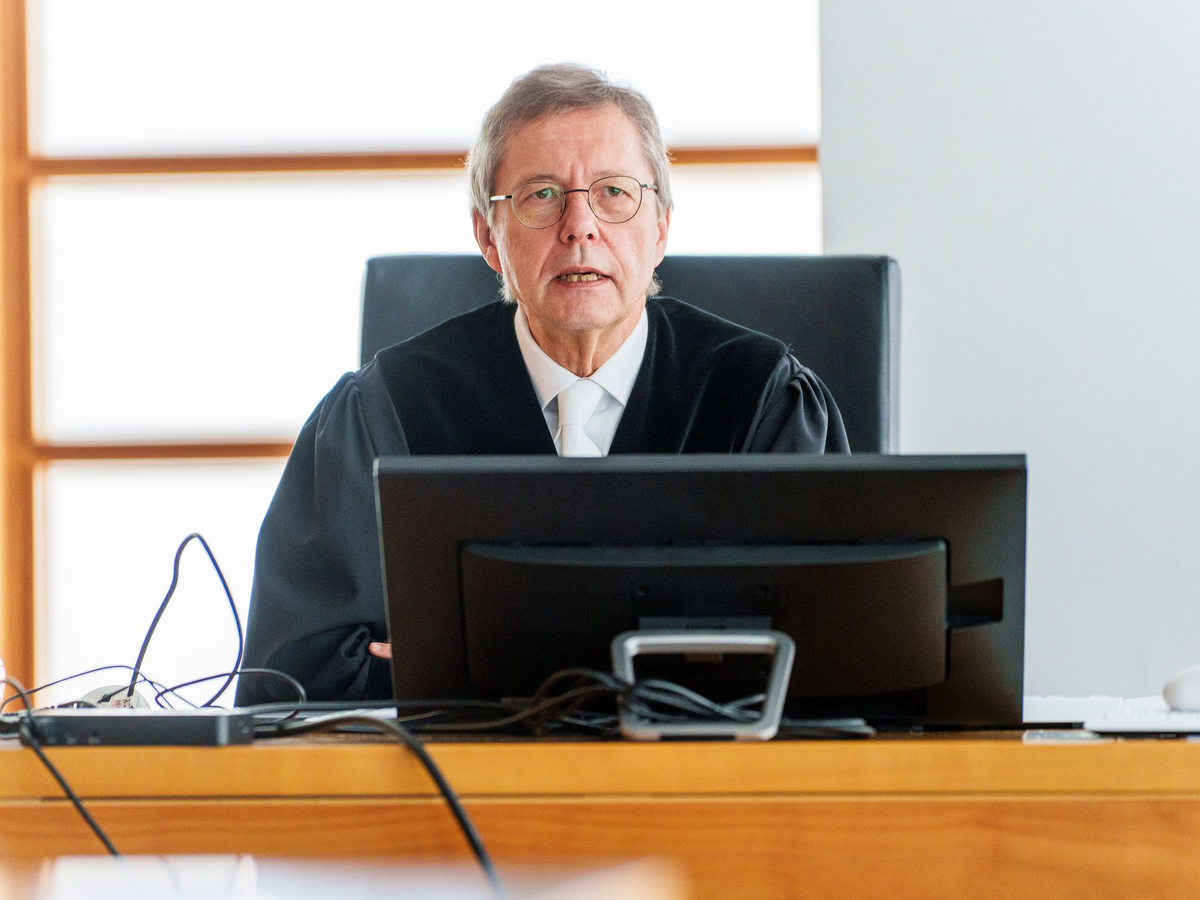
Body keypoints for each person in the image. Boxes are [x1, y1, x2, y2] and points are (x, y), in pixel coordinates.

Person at [235, 63, 849, 705]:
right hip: (451, 772)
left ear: (661, 227)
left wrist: (461, 667)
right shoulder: (384, 410)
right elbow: (295, 679)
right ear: (488, 236)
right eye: (542, 195)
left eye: (613, 192)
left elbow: (825, 666)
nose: (580, 226)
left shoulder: (761, 400)